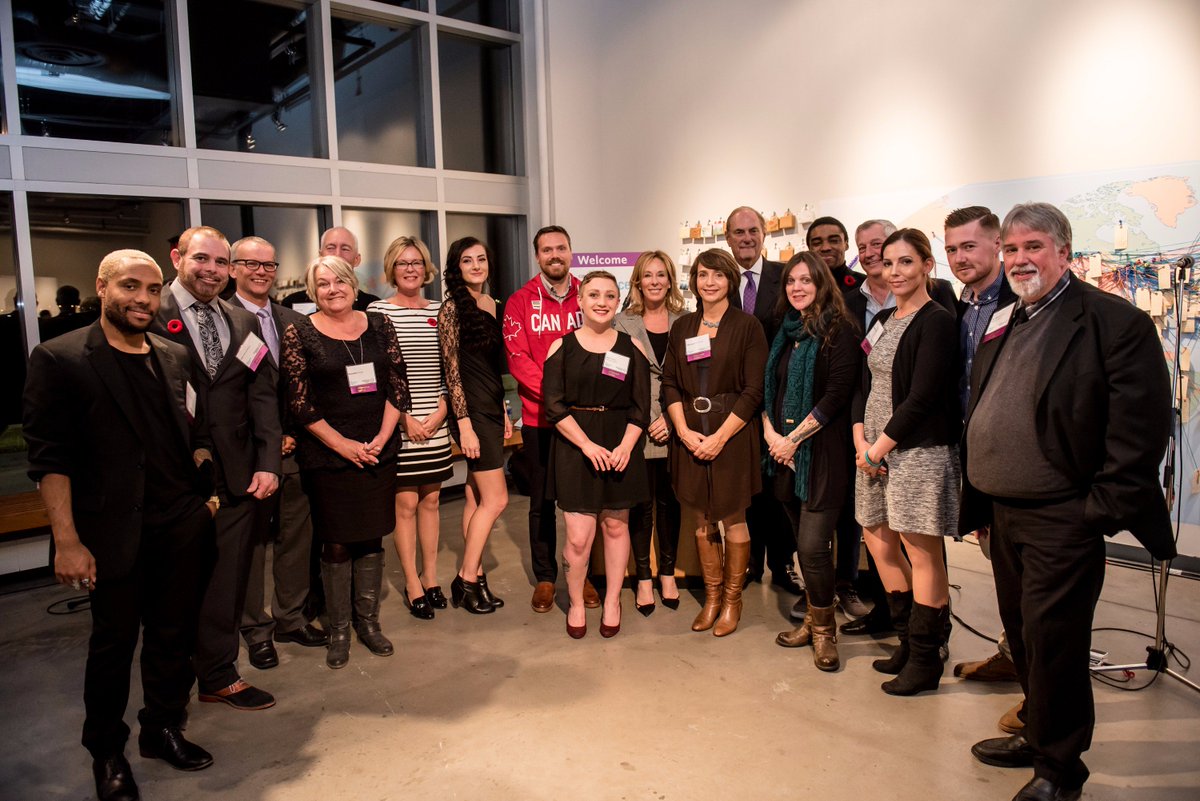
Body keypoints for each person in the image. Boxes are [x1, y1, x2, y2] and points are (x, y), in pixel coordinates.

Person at [963, 203, 1174, 801]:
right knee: (1023, 635)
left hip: (1064, 515)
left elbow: (1139, 430)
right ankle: (1037, 731)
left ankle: (1059, 771)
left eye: (1033, 246)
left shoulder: (1113, 322)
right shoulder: (1009, 319)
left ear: (1064, 250)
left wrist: (1096, 512)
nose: (1019, 259)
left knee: (1056, 642)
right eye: (1010, 248)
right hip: (1004, 513)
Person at [24, 249, 219, 801]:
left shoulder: (173, 354)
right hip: (110, 533)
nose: (143, 299)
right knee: (112, 646)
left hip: (179, 524)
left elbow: (196, 429)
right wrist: (66, 541)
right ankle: (107, 751)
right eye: (130, 287)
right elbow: (49, 459)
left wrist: (204, 500)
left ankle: (162, 728)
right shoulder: (61, 358)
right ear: (102, 287)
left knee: (173, 637)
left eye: (153, 290)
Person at [155, 226, 281, 711]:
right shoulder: (151, 314)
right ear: (177, 258)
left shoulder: (242, 322)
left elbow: (262, 396)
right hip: (171, 480)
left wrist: (268, 461)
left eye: (221, 262)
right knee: (168, 587)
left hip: (237, 478)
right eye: (200, 259)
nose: (211, 270)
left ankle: (218, 674)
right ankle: (167, 691)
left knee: (226, 583)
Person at [281, 255, 409, 668]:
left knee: (372, 537)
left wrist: (380, 439)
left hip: (378, 450)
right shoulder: (299, 332)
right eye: (322, 284)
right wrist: (345, 446)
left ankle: (368, 623)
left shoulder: (379, 325)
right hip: (329, 456)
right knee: (335, 541)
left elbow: (397, 387)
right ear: (312, 291)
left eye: (339, 281)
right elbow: (300, 405)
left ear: (353, 284)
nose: (332, 289)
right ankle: (338, 629)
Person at [852, 228, 961, 695]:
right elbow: (865, 383)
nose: (895, 272)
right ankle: (905, 641)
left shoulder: (936, 320)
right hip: (871, 452)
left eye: (906, 263)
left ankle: (926, 658)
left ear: (926, 266)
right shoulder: (884, 320)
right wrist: (861, 438)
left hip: (916, 451)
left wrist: (880, 447)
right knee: (878, 541)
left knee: (922, 551)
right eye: (889, 263)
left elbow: (923, 397)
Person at [229, 237, 329, 671]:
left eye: (269, 265)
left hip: (297, 449)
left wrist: (291, 434)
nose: (261, 272)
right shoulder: (221, 322)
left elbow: (309, 386)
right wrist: (265, 441)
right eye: (250, 263)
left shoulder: (294, 320)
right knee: (251, 545)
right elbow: (224, 397)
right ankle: (254, 628)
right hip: (248, 455)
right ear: (233, 268)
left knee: (296, 537)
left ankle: (290, 617)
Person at [662, 248, 768, 637]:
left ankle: (732, 600)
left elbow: (754, 390)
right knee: (702, 518)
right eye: (703, 275)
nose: (710, 282)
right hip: (690, 431)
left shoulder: (748, 326)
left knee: (733, 517)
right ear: (694, 281)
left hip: (733, 435)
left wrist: (720, 438)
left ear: (730, 280)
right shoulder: (683, 327)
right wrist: (685, 432)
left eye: (718, 275)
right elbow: (670, 382)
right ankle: (711, 597)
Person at [768, 252, 862, 671]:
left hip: (823, 454)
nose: (798, 288)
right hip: (783, 455)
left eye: (806, 280)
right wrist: (772, 435)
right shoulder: (785, 331)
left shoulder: (840, 330)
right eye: (791, 281)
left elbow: (837, 396)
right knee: (800, 548)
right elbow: (771, 388)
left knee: (813, 547)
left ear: (822, 283)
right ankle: (812, 619)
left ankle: (826, 633)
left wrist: (793, 439)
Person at [544, 270, 651, 637]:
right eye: (594, 295)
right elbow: (554, 407)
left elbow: (641, 407)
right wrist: (587, 445)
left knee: (616, 526)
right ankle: (576, 601)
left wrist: (625, 446)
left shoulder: (631, 347)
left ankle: (612, 601)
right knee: (578, 535)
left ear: (617, 301)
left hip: (621, 445)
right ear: (580, 300)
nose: (602, 302)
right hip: (576, 447)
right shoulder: (562, 347)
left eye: (609, 295)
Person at [943, 207, 1022, 694]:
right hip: (974, 456)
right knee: (1000, 565)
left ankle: (1038, 689)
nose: (958, 257)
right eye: (951, 249)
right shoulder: (963, 304)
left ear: (997, 245)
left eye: (968, 246)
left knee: (1026, 578)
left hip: (1015, 461)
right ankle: (1013, 654)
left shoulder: (1022, 301)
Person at [503, 225, 595, 613]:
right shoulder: (520, 301)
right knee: (541, 502)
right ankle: (545, 576)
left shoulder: (589, 295)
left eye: (561, 248)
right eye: (546, 249)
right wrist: (559, 398)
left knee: (584, 502)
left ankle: (584, 572)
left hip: (585, 419)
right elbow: (518, 358)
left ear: (571, 252)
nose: (554, 255)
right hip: (541, 419)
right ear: (537, 256)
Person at [369, 236, 454, 620]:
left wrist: (440, 414)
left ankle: (431, 576)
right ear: (392, 267)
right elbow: (380, 374)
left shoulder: (441, 309)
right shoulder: (377, 312)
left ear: (426, 268)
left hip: (435, 417)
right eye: (402, 263)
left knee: (432, 500)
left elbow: (451, 370)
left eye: (417, 262)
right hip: (397, 418)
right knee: (405, 504)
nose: (410, 269)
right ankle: (412, 581)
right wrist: (404, 418)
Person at [725, 206, 802, 602]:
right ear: (728, 238)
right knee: (746, 485)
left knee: (779, 485)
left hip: (778, 398)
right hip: (736, 402)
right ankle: (751, 560)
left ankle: (783, 563)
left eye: (752, 230)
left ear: (764, 234)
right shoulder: (720, 281)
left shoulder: (783, 277)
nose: (746, 238)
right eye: (738, 232)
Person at [439, 236, 512, 614]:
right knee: (497, 498)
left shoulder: (493, 305)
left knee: (475, 496)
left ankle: (479, 578)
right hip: (470, 411)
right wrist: (464, 423)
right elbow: (450, 371)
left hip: (490, 404)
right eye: (468, 261)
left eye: (482, 259)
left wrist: (503, 409)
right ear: (457, 267)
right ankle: (465, 579)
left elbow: (492, 367)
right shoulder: (452, 308)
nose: (477, 266)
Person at [613, 251, 685, 614]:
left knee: (670, 503)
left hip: (677, 424)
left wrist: (674, 419)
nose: (655, 281)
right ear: (637, 282)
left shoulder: (688, 322)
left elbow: (697, 380)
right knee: (640, 504)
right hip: (637, 426)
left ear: (670, 280)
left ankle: (668, 573)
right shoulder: (621, 324)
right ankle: (643, 577)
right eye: (648, 275)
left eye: (661, 275)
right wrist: (642, 419)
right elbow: (614, 380)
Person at [281, 226, 381, 311]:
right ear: (320, 255)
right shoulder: (292, 303)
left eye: (345, 249)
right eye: (330, 248)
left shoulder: (372, 306)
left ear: (357, 259)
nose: (337, 254)